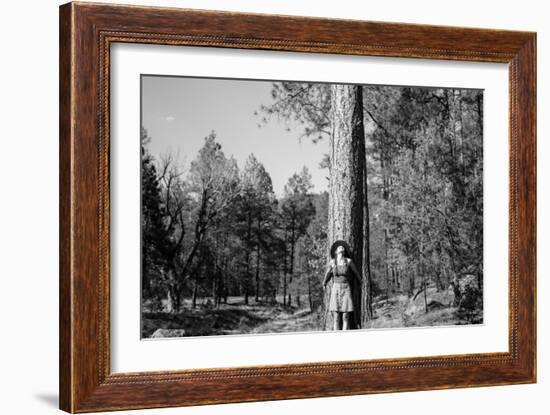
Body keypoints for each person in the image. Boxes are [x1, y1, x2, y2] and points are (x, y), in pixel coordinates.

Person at [323, 240, 362, 330]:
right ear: (336, 252)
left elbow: (356, 272)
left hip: (346, 288)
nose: (341, 248)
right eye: (339, 248)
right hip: (335, 288)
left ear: (344, 252)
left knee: (345, 315)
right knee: (336, 317)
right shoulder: (332, 262)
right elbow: (328, 273)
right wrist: (324, 282)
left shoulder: (348, 261)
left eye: (342, 248)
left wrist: (360, 281)